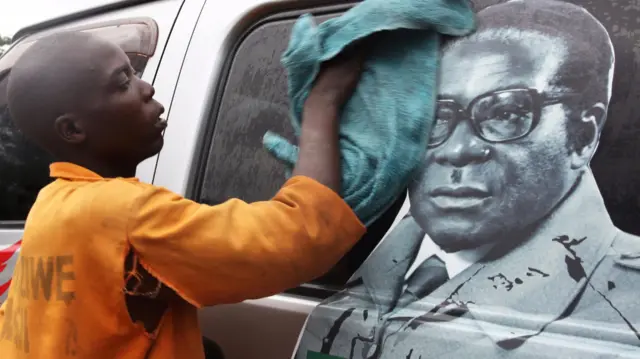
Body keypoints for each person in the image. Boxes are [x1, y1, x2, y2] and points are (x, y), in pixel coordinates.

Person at [295, 1, 640, 358]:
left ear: (581, 137)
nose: (457, 150)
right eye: (434, 116)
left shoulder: (623, 314)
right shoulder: (349, 262)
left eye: (505, 113)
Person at [0, 31, 367, 358]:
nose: (147, 88)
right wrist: (324, 103)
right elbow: (299, 236)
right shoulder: (128, 213)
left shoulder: (50, 206)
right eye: (123, 82)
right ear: (73, 129)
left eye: (136, 74)